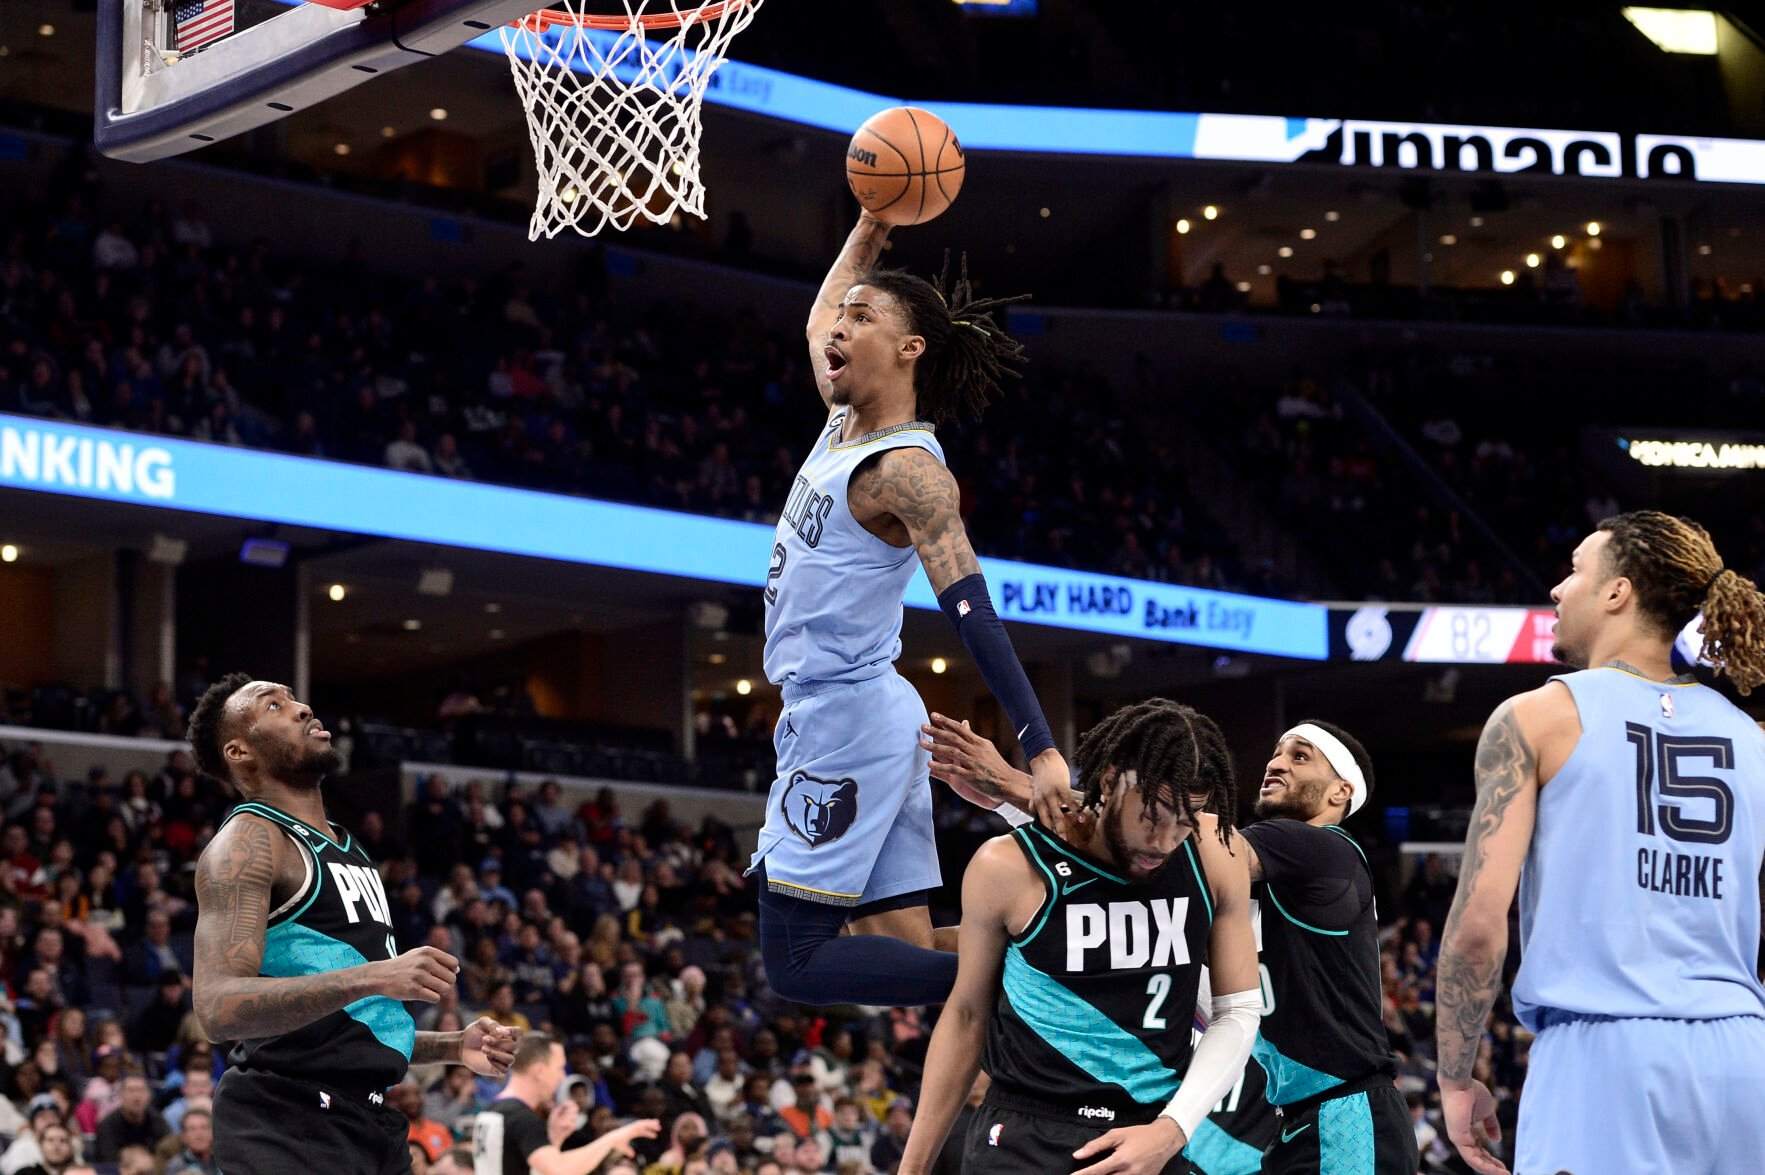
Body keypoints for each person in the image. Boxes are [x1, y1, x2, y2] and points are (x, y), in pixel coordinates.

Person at [747, 209, 1071, 1009]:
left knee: (794, 961)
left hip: (847, 721)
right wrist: (871, 221)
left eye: (863, 317)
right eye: (844, 315)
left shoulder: (907, 471)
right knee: (908, 947)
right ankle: (1077, 947)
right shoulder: (840, 425)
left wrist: (1039, 746)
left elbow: (971, 607)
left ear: (909, 348)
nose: (839, 325)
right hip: (864, 713)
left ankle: (1046, 988)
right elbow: (818, 313)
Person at [921, 711, 1415, 1173]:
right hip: (1292, 1117)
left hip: (1348, 1113)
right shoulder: (1256, 890)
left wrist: (1014, 789)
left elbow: (1158, 830)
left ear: (1341, 792)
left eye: (1300, 756)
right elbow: (1115, 898)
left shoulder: (1326, 851)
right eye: (1277, 753)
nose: (1277, 763)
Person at [1434, 512, 1765, 1175]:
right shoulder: (1751, 738)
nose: (1558, 589)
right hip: (1743, 1057)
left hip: (1602, 1057)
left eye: (1575, 570)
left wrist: (1454, 1076)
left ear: (1618, 591)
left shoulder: (1536, 717)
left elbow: (1477, 927)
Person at [900, 700, 1261, 1175]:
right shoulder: (1007, 865)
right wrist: (913, 1168)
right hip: (1024, 1133)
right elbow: (967, 1015)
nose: (1165, 840)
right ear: (1108, 783)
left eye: (1186, 819)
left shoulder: (1215, 850)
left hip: (1150, 1132)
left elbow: (1237, 1011)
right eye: (1152, 816)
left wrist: (1172, 1129)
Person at [184, 675, 521, 1175]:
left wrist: (452, 1046)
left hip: (369, 1119)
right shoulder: (248, 842)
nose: (302, 708)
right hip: (287, 1117)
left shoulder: (347, 846)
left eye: (295, 698)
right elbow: (215, 1008)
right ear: (239, 751)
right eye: (274, 706)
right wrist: (374, 976)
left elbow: (344, 1026)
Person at [472, 1032, 660, 1175]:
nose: (562, 1077)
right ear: (539, 1071)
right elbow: (560, 1169)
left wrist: (555, 1138)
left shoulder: (492, 1109)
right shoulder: (522, 1118)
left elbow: (527, 1167)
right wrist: (613, 1138)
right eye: (559, 1068)